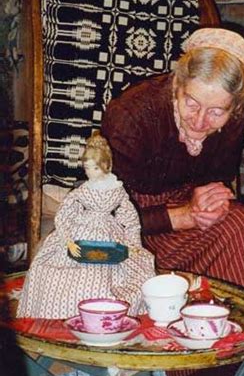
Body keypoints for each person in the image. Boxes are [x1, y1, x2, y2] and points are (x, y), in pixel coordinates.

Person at [101, 27, 244, 297]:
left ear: (235, 106)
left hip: (188, 209)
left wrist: (209, 201)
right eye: (191, 103)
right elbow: (106, 217)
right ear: (177, 85)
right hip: (132, 223)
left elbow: (219, 177)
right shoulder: (130, 115)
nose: (201, 121)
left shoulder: (235, 114)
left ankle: (240, 334)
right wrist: (184, 216)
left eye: (216, 112)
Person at [17, 131, 156, 319]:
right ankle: (59, 313)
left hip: (109, 232)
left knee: (119, 272)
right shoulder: (82, 191)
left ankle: (109, 315)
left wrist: (133, 243)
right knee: (49, 270)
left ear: (105, 166)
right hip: (81, 230)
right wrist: (68, 241)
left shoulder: (117, 189)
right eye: (87, 168)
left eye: (94, 168)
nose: (90, 172)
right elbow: (64, 215)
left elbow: (129, 218)